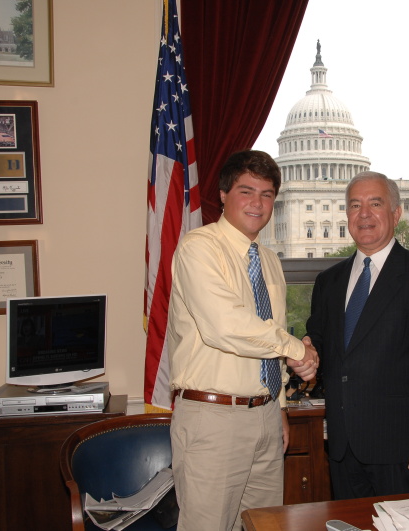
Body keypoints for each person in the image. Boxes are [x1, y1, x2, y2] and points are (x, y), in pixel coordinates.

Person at [165, 150, 319, 531]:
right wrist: (297, 349)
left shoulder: (268, 260)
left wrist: (280, 406)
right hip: (213, 417)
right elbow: (226, 325)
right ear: (222, 194)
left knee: (264, 525)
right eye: (246, 191)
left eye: (267, 194)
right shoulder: (199, 247)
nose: (257, 203)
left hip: (266, 416)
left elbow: (269, 344)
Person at [304, 171, 409, 500]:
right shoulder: (328, 282)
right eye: (355, 205)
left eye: (375, 203)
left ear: (396, 212)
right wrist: (306, 352)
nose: (364, 214)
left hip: (403, 449)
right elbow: (318, 342)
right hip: (343, 448)